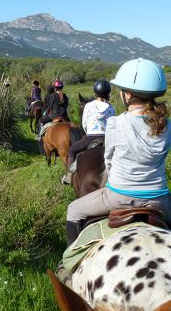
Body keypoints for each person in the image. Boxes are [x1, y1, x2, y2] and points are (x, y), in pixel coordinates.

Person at [66, 58, 171, 246]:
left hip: (119, 197)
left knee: (73, 210)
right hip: (159, 200)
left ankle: (67, 268)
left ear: (128, 95)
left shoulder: (116, 122)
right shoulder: (167, 125)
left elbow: (109, 160)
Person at [61, 79, 115, 184]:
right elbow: (112, 125)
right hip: (106, 138)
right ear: (108, 93)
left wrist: (87, 131)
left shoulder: (89, 106)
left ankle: (69, 176)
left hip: (91, 137)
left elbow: (84, 123)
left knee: (71, 150)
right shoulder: (111, 108)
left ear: (96, 91)